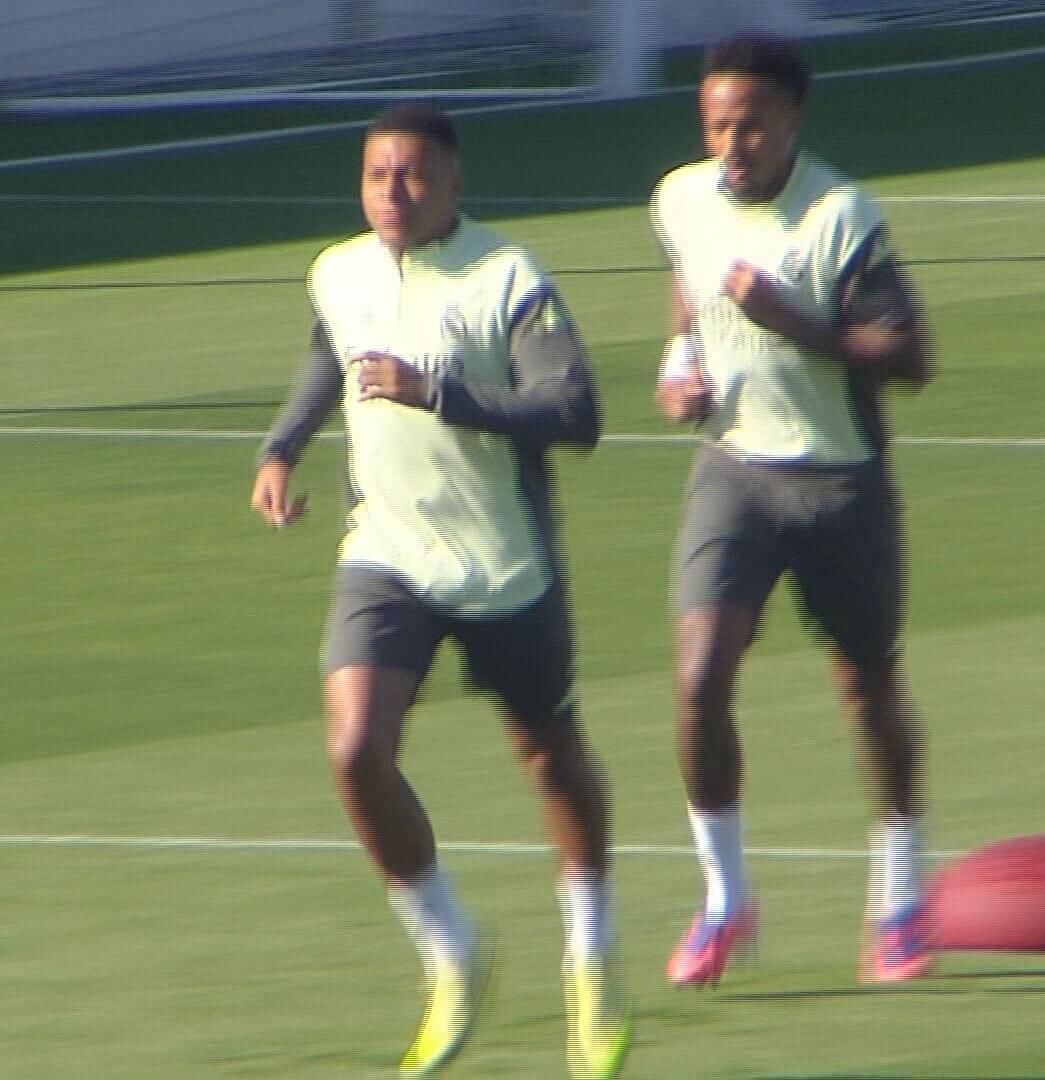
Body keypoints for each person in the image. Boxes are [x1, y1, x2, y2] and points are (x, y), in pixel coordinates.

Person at [249, 103, 631, 1079]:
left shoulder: (508, 279)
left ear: (455, 185)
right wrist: (283, 445)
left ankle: (590, 953)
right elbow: (327, 352)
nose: (393, 192)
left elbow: (576, 413)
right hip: (385, 556)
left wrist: (441, 394)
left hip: (502, 563)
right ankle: (451, 953)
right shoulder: (338, 271)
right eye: (378, 175)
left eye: (414, 176)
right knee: (353, 749)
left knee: (549, 754)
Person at [648, 33, 940, 988]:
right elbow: (688, 283)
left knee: (867, 689)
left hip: (840, 482)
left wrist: (795, 325)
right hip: (734, 473)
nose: (734, 144)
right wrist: (679, 364)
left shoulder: (840, 214)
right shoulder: (680, 197)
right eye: (718, 125)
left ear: (793, 121)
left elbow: (911, 359)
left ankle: (899, 897)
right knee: (698, 681)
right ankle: (726, 902)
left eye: (753, 125)